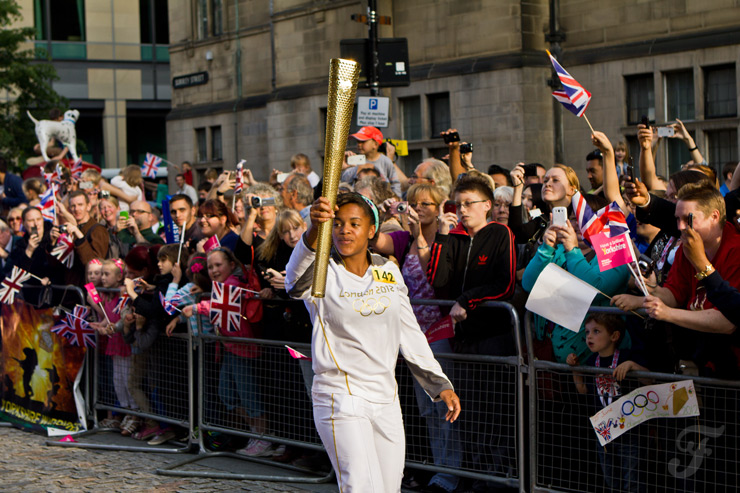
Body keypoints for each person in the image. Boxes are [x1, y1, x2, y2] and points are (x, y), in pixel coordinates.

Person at [285, 192, 460, 492]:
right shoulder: (322, 272)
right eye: (338, 223)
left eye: (355, 223)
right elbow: (293, 282)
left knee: (389, 487)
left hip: (386, 398)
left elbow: (408, 330)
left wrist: (438, 382)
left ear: (371, 231)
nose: (345, 230)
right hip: (340, 395)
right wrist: (314, 230)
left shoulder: (388, 271)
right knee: (362, 486)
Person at [372, 184, 462, 492]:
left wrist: (420, 238)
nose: (419, 208)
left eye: (426, 203)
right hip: (412, 336)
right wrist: (379, 213)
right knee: (427, 408)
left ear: (438, 207)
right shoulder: (402, 237)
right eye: (413, 203)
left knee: (445, 405)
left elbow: (433, 274)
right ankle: (439, 471)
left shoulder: (446, 237)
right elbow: (372, 239)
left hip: (441, 334)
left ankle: (451, 475)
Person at [612, 183, 740, 376]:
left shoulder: (736, 250)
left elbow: (727, 321)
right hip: (698, 360)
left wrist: (668, 313)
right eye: (677, 219)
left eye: (688, 219)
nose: (680, 227)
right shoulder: (686, 247)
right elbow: (674, 294)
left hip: (731, 366)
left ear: (714, 217)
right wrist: (652, 288)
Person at [566, 314, 648, 493]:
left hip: (629, 431)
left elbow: (649, 380)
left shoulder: (626, 357)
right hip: (603, 431)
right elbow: (582, 389)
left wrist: (633, 366)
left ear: (614, 336)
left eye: (596, 331)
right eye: (587, 332)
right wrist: (575, 370)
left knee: (632, 479)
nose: (589, 336)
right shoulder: (590, 361)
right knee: (610, 479)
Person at [54, 191, 110, 285]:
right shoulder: (69, 229)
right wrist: (52, 243)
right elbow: (59, 264)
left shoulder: (97, 229)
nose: (76, 209)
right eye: (73, 206)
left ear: (88, 206)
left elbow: (95, 264)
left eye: (80, 205)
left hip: (87, 289)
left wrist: (79, 237)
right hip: (69, 287)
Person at [341, 126, 402, 195]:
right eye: (358, 141)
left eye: (363, 141)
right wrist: (345, 167)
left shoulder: (386, 161)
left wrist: (397, 198)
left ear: (375, 144)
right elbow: (345, 181)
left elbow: (395, 183)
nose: (359, 144)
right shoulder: (355, 160)